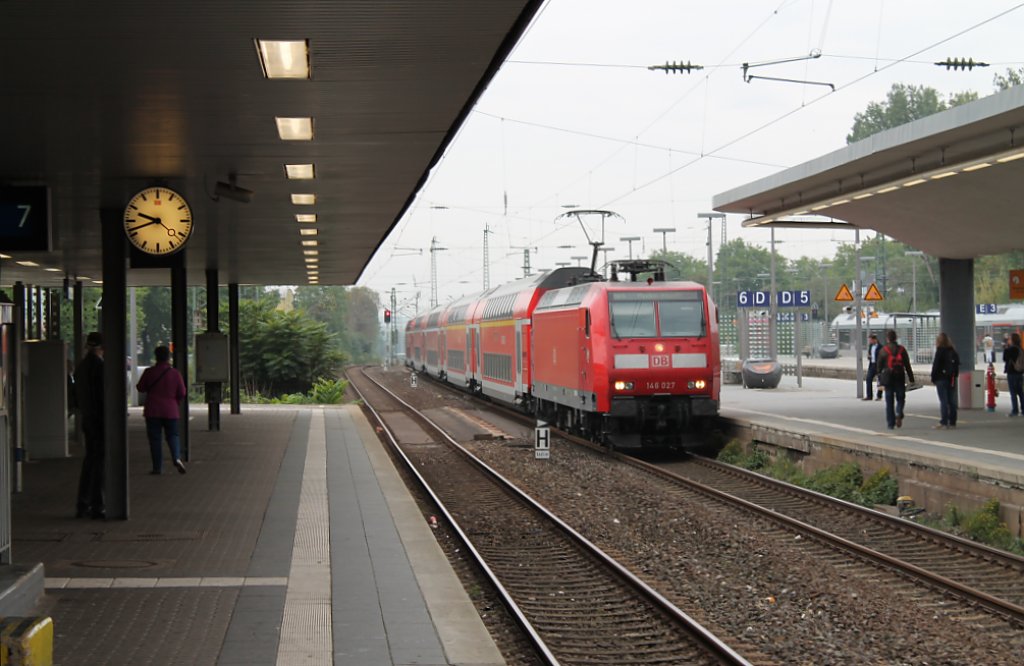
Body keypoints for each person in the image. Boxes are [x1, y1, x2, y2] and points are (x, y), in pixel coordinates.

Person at [136, 345, 187, 474]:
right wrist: (175, 402)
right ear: (168, 357)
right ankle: (176, 457)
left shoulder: (149, 372)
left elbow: (140, 388)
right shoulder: (175, 373)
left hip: (153, 410)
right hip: (171, 410)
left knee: (155, 439)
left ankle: (157, 467)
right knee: (173, 435)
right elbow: (182, 392)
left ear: (156, 357)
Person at [74, 332, 105, 519]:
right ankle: (96, 504)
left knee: (90, 462)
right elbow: (102, 396)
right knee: (98, 463)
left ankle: (83, 503)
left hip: (87, 418)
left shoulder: (81, 366)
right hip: (98, 420)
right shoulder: (98, 367)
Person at [877, 329, 915, 430]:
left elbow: (879, 367)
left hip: (888, 377)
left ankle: (890, 423)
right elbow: (907, 365)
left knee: (889, 400)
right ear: (896, 338)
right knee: (901, 397)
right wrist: (911, 379)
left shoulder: (883, 350)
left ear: (887, 339)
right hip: (900, 376)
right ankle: (899, 412)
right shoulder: (902, 350)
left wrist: (879, 380)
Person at [930, 332, 960, 429]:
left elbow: (936, 366)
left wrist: (933, 377)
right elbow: (957, 364)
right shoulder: (953, 351)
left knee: (943, 400)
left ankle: (944, 422)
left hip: (941, 379)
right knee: (952, 400)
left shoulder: (940, 351)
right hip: (951, 378)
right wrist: (955, 375)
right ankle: (953, 421)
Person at [1003, 332, 1024, 417]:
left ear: (1012, 340)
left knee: (1013, 392)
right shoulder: (1020, 349)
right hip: (1020, 372)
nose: (1008, 340)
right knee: (1020, 392)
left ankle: (1015, 410)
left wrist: (1006, 348)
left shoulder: (1011, 349)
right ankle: (1023, 410)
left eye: (1009, 339)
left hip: (1012, 372)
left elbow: (1005, 358)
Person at [864, 334, 882, 401]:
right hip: (872, 365)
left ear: (875, 340)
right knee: (868, 379)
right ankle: (869, 396)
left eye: (870, 340)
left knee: (880, 381)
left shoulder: (880, 347)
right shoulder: (871, 346)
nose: (870, 341)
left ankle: (879, 396)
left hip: (879, 365)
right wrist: (869, 357)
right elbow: (869, 354)